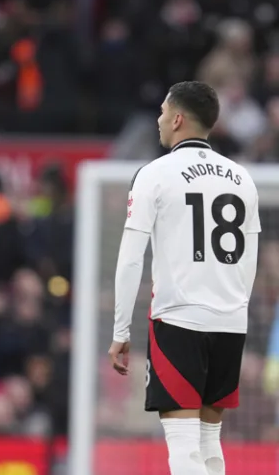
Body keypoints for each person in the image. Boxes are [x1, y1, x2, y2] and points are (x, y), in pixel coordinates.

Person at [109, 81, 261, 475]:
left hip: (179, 318)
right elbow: (250, 256)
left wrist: (121, 331)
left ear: (177, 119)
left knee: (181, 442)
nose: (159, 120)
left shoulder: (155, 174)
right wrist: (236, 309)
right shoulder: (241, 178)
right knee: (210, 440)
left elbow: (130, 259)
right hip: (230, 319)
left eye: (162, 112)